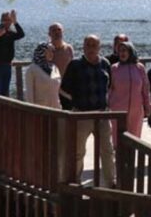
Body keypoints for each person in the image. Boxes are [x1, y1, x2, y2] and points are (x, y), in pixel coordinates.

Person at [59, 35, 115, 187]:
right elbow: (63, 91)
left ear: (99, 47)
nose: (91, 48)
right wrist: (71, 110)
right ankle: (75, 182)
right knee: (78, 152)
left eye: (94, 45)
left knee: (107, 151)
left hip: (102, 115)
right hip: (81, 116)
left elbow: (109, 87)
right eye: (88, 45)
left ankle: (111, 183)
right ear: (83, 47)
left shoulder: (105, 64)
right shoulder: (75, 65)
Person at [109, 41, 151, 148]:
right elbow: (109, 89)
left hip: (136, 110)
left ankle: (130, 162)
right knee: (118, 139)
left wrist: (147, 106)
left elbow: (145, 89)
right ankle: (119, 163)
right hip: (118, 110)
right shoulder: (114, 68)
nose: (122, 53)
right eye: (120, 51)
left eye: (125, 50)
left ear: (131, 52)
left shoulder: (139, 67)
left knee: (134, 140)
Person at [0, 10, 24, 96]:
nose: (7, 22)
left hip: (7, 65)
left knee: (4, 92)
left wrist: (15, 22)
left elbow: (21, 34)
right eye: (5, 20)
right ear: (1, 20)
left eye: (9, 20)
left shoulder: (10, 34)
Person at [24, 42, 61, 108]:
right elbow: (29, 95)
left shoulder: (54, 68)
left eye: (52, 51)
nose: (51, 54)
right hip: (41, 110)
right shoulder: (32, 69)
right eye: (49, 51)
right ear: (42, 52)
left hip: (56, 109)